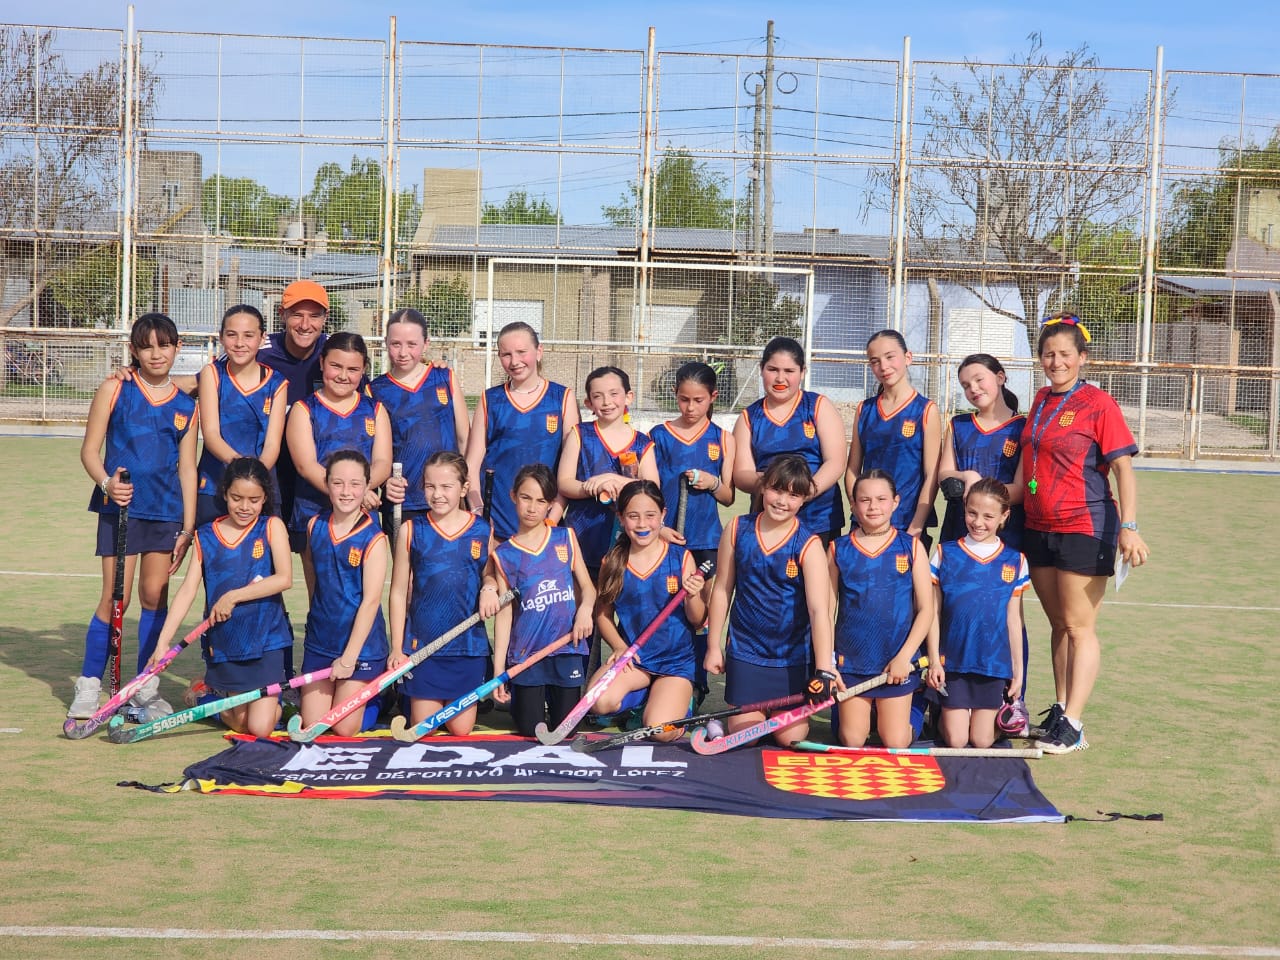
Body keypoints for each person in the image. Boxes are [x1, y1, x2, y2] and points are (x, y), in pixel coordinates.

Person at [1017, 314, 1150, 754]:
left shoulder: (1098, 404)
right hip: (1038, 527)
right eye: (1049, 354)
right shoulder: (1039, 400)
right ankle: (1059, 709)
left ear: (1082, 358)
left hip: (1085, 526)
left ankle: (1074, 725)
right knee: (1058, 624)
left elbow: (1123, 469)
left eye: (1065, 355)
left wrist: (1129, 527)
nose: (1056, 362)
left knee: (1079, 627)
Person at [69, 313, 197, 721]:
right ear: (133, 350)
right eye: (147, 345)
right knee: (114, 596)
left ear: (177, 348)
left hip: (166, 513)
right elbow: (90, 450)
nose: (156, 353)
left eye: (164, 345)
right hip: (120, 510)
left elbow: (188, 468)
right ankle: (90, 684)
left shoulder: (184, 404)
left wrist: (189, 525)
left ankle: (145, 685)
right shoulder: (114, 387)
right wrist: (107, 482)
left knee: (153, 597)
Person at [149, 457, 293, 737]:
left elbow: (284, 578)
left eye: (254, 499)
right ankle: (205, 696)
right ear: (225, 493)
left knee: (260, 728)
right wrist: (163, 642)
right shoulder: (206, 535)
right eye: (237, 498)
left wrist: (233, 596)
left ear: (265, 498)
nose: (245, 507)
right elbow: (188, 589)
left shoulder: (272, 527)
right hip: (227, 642)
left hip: (267, 640)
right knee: (241, 724)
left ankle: (276, 701)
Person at [704, 454, 834, 747]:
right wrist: (713, 646)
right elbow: (723, 589)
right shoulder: (737, 529)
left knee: (791, 737)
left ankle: (768, 710)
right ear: (763, 487)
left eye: (793, 495)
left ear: (803, 500)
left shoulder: (809, 544)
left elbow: (818, 611)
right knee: (745, 737)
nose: (782, 501)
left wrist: (823, 668)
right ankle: (742, 713)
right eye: (776, 489)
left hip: (791, 657)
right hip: (746, 649)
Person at [586, 481, 708, 739]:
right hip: (636, 660)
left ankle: (684, 700)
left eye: (650, 515)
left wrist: (693, 595)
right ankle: (642, 700)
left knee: (660, 732)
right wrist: (619, 647)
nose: (642, 524)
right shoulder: (613, 561)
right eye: (633, 516)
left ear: (663, 515)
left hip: (676, 663)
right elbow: (603, 615)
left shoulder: (681, 558)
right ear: (620, 518)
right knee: (599, 702)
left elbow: (698, 621)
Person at [388, 451, 492, 736]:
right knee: (425, 729)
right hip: (424, 647)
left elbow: (490, 572)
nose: (437, 495)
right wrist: (397, 648)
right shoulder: (412, 529)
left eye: (446, 487)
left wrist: (491, 587)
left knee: (461, 729)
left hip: (468, 647)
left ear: (464, 487)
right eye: (430, 486)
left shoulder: (482, 529)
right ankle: (404, 695)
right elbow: (398, 592)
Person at [649, 361, 735, 703]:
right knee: (665, 606)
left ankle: (696, 680)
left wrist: (713, 482)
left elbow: (729, 496)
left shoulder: (722, 439)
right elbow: (650, 489)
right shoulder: (658, 435)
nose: (690, 407)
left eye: (698, 400)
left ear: (712, 397)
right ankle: (662, 674)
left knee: (701, 611)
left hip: (706, 541)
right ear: (675, 396)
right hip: (666, 538)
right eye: (684, 399)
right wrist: (660, 530)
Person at [489, 465, 596, 738]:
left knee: (566, 729)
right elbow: (504, 616)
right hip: (527, 655)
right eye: (526, 498)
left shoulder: (565, 537)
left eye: (541, 501)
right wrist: (500, 670)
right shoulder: (504, 554)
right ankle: (519, 697)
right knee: (530, 729)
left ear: (550, 504)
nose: (532, 508)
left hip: (566, 649)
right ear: (513, 496)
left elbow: (588, 587)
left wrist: (585, 609)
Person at [829, 469, 932, 749]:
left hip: (896, 661)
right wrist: (828, 660)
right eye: (864, 500)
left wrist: (904, 657)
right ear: (853, 505)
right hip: (852, 661)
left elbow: (926, 609)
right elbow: (826, 611)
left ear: (895, 502)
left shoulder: (910, 546)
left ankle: (916, 702)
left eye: (881, 499)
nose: (873, 507)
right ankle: (854, 714)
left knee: (895, 740)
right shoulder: (838, 549)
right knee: (852, 739)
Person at [926, 478, 1028, 749]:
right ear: (964, 509)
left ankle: (990, 717)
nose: (978, 522)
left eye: (988, 516)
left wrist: (1018, 672)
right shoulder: (944, 553)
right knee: (957, 740)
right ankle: (940, 712)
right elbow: (932, 613)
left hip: (992, 664)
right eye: (972, 513)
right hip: (954, 663)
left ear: (1004, 516)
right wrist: (935, 660)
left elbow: (1013, 620)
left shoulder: (1014, 560)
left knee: (982, 740)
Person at [298, 450, 390, 738]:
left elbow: (371, 602)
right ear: (327, 484)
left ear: (366, 487)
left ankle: (380, 696)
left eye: (354, 484)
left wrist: (349, 657)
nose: (346, 491)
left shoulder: (374, 538)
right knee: (314, 724)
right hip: (322, 640)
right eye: (338, 483)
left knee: (344, 727)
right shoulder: (315, 526)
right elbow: (315, 579)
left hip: (361, 647)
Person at [465, 322, 579, 541]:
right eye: (506, 354)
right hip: (497, 524)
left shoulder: (562, 398)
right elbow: (472, 462)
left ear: (538, 351)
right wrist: (479, 510)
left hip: (544, 527)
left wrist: (552, 519)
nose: (514, 361)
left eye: (521, 352)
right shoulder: (490, 400)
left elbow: (569, 469)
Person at [285, 332, 392, 555]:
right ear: (322, 363)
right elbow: (306, 466)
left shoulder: (375, 410)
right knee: (321, 589)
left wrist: (357, 493)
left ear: (363, 370)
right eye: (336, 366)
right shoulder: (304, 409)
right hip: (315, 513)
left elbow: (382, 462)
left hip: (362, 513)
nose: (343, 376)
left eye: (353, 369)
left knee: (364, 588)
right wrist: (350, 493)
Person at [732, 337, 846, 546]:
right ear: (761, 369)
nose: (780, 378)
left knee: (820, 578)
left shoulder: (818, 406)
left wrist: (805, 491)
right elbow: (741, 474)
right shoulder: (749, 418)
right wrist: (775, 488)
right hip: (768, 518)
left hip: (819, 519)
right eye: (773, 369)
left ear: (802, 372)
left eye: (789, 371)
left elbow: (836, 462)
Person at [369, 308, 469, 527]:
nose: (403, 352)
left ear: (426, 343)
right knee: (406, 561)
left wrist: (466, 487)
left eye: (412, 344)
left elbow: (464, 439)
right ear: (386, 342)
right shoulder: (375, 390)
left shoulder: (444, 377)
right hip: (404, 499)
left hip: (448, 497)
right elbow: (374, 452)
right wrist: (386, 481)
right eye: (396, 344)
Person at [557, 365, 658, 577]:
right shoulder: (580, 434)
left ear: (628, 397)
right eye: (598, 396)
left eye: (614, 394)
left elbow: (651, 488)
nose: (606, 402)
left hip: (625, 541)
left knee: (612, 603)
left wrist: (613, 479)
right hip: (581, 535)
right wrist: (592, 486)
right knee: (582, 603)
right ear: (588, 403)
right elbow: (564, 482)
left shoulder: (642, 443)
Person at [846, 329, 941, 548]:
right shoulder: (865, 409)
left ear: (908, 357)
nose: (884, 366)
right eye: (875, 361)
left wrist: (916, 526)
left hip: (906, 522)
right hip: (866, 522)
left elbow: (931, 475)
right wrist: (857, 508)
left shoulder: (926, 410)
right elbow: (852, 470)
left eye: (890, 357)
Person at [195, 305, 288, 527]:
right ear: (221, 337)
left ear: (262, 338)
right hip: (215, 484)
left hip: (261, 485)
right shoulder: (212, 374)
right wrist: (241, 472)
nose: (239, 343)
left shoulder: (277, 382)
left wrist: (253, 479)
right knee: (214, 556)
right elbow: (211, 434)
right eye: (231, 335)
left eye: (248, 335)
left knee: (263, 558)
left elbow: (273, 444)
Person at [938, 353, 1026, 547]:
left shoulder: (1022, 428)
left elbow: (1020, 490)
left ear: (1000, 377)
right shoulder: (958, 425)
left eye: (979, 380)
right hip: (960, 529)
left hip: (1005, 534)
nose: (973, 389)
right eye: (966, 385)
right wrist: (967, 476)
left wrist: (982, 500)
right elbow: (943, 474)